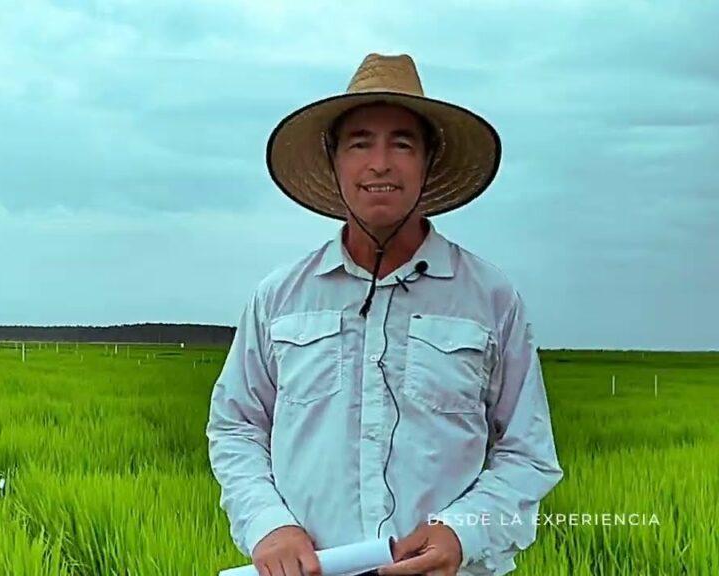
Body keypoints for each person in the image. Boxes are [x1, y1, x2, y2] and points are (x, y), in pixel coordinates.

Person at [206, 53, 564, 576]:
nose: (380, 163)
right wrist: (268, 524)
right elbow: (237, 425)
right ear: (334, 159)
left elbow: (528, 453)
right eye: (360, 143)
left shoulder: (489, 297)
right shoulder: (280, 297)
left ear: (428, 160)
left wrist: (463, 531)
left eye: (402, 143)